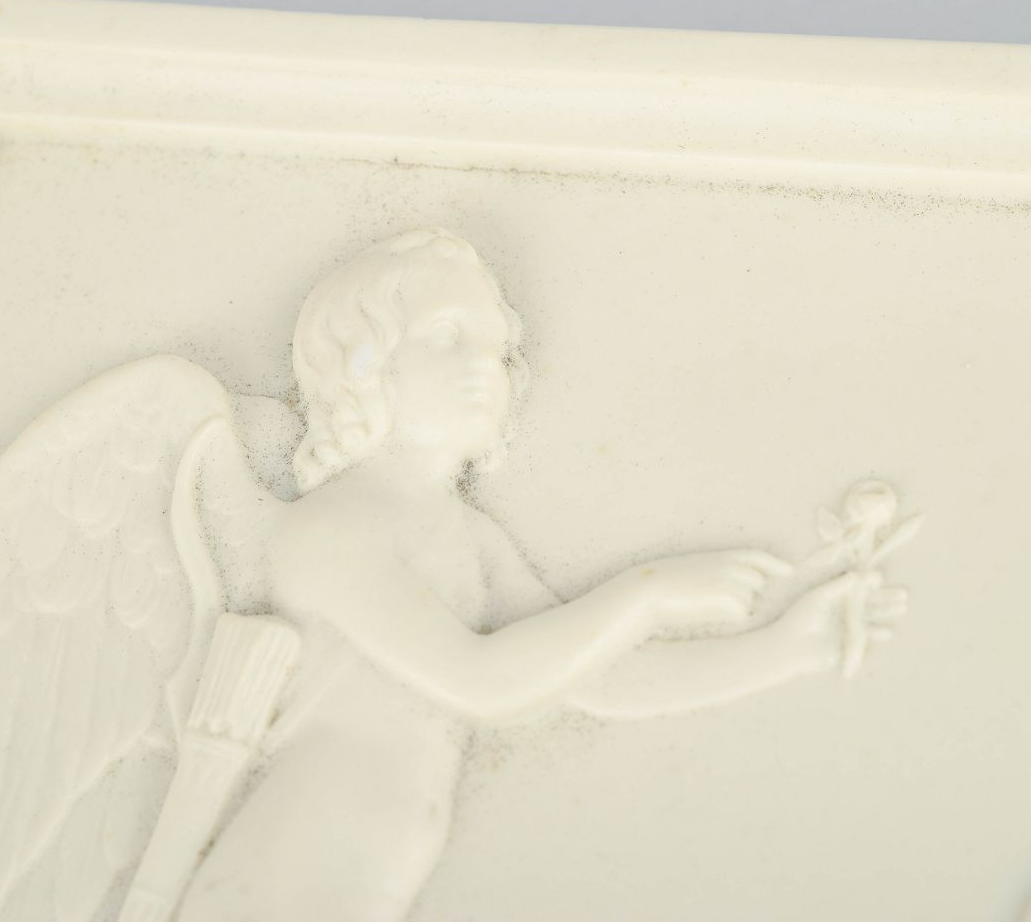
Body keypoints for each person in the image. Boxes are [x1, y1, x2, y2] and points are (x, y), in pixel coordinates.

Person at [176, 228, 894, 920]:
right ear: (359, 362)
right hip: (290, 873)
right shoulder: (331, 531)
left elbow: (595, 678)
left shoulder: (467, 537)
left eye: (496, 347)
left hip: (370, 870)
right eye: (446, 336)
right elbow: (481, 682)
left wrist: (790, 648)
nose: (482, 367)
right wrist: (649, 593)